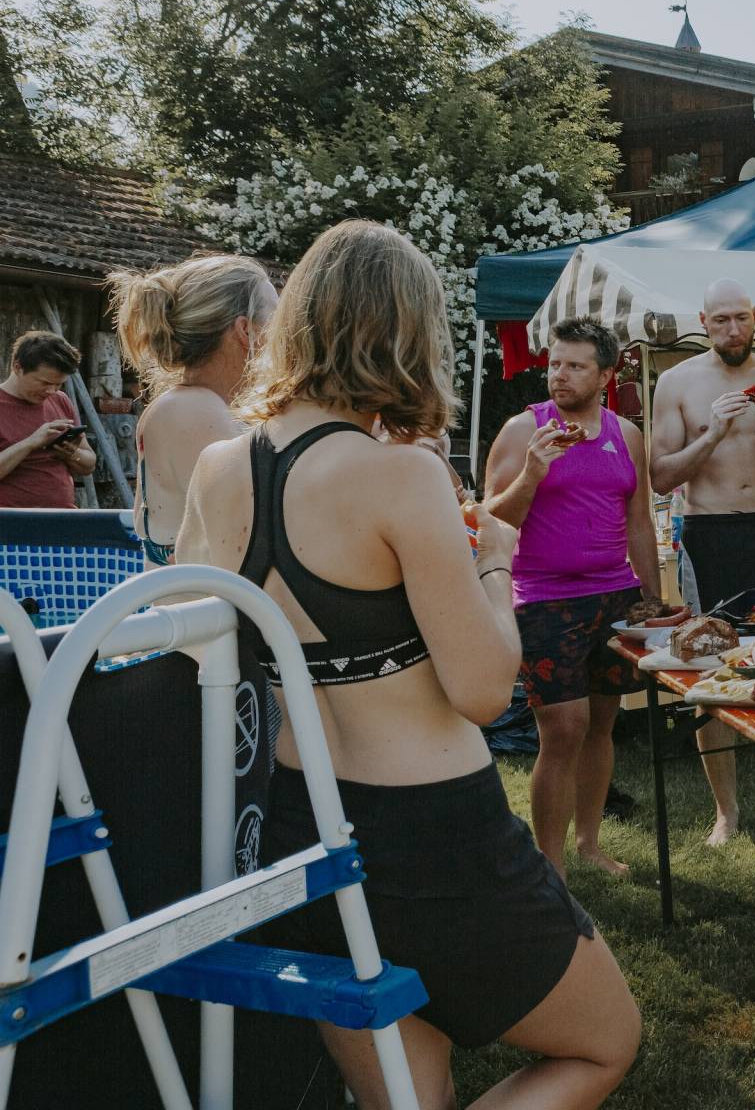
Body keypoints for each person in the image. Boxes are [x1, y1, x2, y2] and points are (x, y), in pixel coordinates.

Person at [177, 220, 639, 1108]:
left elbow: (194, 633)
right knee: (601, 1044)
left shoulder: (218, 467)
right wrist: (496, 563)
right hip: (435, 834)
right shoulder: (398, 474)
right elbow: (479, 692)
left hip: (300, 820)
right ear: (405, 333)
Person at [485, 316, 661, 881]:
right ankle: (551, 869)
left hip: (615, 598)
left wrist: (652, 599)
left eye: (575, 366)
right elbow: (490, 523)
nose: (559, 375)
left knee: (602, 725)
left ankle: (588, 843)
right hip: (543, 601)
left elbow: (639, 524)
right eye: (554, 363)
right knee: (562, 730)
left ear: (606, 374)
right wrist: (535, 472)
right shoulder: (522, 431)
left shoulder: (624, 434)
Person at [650, 279, 755, 846]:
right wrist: (714, 433)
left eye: (741, 318)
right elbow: (661, 476)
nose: (732, 330)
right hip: (709, 532)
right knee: (710, 665)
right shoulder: (676, 382)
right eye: (720, 320)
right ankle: (727, 811)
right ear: (702, 320)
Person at [108, 254, 278, 565]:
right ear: (245, 331)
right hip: (200, 611)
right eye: (276, 318)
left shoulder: (197, 405)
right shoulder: (194, 410)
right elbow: (250, 535)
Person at [0, 331, 96, 508]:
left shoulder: (60, 400)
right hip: (10, 525)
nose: (51, 391)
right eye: (44, 383)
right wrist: (30, 443)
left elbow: (89, 464)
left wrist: (71, 454)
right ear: (17, 367)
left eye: (58, 384)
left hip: (61, 521)